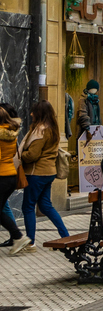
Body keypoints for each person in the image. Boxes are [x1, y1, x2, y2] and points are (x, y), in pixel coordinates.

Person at [18, 100, 70, 250]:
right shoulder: (53, 128)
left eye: (34, 111)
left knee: (28, 206)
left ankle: (30, 242)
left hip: (36, 173)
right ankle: (66, 236)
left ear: (39, 113)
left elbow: (33, 155)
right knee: (46, 206)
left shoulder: (40, 130)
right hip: (49, 172)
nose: (31, 114)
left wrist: (21, 154)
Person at [0, 104, 25, 251]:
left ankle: (18, 237)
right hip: (10, 175)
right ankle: (18, 237)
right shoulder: (11, 134)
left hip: (1, 177)